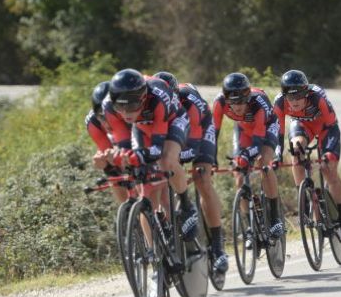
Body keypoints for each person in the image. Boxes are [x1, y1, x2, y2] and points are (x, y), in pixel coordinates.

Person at [104, 69, 198, 245]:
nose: (125, 113)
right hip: (142, 127)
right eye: (120, 108)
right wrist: (122, 157)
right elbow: (123, 145)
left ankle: (186, 205)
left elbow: (156, 148)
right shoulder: (108, 105)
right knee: (141, 181)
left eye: (131, 106)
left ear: (143, 97)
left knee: (166, 159)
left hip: (172, 122)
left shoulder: (157, 96)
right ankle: (155, 252)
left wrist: (140, 155)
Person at [153, 71, 229, 274]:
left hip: (202, 130)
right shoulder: (155, 105)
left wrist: (171, 162)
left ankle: (218, 245)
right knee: (157, 177)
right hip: (173, 132)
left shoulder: (190, 103)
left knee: (201, 177)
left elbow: (191, 149)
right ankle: (168, 231)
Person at [273, 69, 341, 242]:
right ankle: (303, 199)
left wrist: (328, 155)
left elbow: (332, 127)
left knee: (328, 170)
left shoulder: (318, 98)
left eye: (298, 96)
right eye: (290, 97)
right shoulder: (280, 102)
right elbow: (278, 133)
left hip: (326, 128)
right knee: (296, 149)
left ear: (306, 93)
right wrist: (278, 155)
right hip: (303, 126)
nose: (294, 101)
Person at [212, 72, 285, 239]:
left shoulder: (258, 102)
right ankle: (248, 226)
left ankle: (275, 218)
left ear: (248, 97)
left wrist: (247, 155)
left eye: (242, 102)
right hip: (244, 129)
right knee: (238, 173)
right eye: (233, 102)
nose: (237, 107)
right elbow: (212, 133)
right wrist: (212, 158)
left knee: (264, 162)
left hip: (266, 129)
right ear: (226, 99)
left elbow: (259, 141)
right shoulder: (219, 102)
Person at [85, 81, 128, 203]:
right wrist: (105, 163)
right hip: (117, 141)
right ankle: (128, 211)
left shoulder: (129, 114)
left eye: (111, 115)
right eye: (102, 117)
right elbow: (108, 154)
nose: (107, 121)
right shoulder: (92, 123)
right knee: (109, 163)